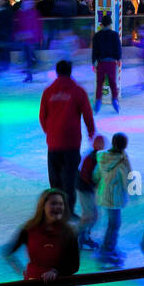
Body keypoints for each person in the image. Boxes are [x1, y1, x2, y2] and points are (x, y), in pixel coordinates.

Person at [39, 60, 96, 217]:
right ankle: (68, 212)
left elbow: (42, 116)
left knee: (55, 180)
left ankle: (53, 211)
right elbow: (87, 115)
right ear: (70, 72)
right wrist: (91, 133)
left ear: (57, 72)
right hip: (71, 143)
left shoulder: (48, 91)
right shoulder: (78, 91)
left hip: (54, 144)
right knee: (69, 180)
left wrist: (50, 132)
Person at [96, 132, 132, 266]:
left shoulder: (103, 156)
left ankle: (108, 247)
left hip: (104, 194)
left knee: (112, 224)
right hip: (115, 197)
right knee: (114, 224)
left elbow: (97, 174)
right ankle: (107, 251)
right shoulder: (122, 160)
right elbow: (127, 178)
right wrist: (134, 192)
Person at [77, 134, 105, 250]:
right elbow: (85, 175)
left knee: (93, 215)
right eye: (101, 143)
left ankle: (83, 236)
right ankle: (77, 236)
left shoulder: (97, 156)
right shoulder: (91, 157)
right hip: (84, 188)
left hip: (87, 188)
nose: (103, 146)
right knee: (89, 215)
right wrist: (95, 185)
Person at [91, 12, 122, 114]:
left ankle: (98, 102)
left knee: (99, 83)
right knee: (113, 83)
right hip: (111, 62)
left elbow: (94, 50)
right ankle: (115, 101)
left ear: (102, 24)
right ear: (110, 24)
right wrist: (119, 59)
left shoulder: (97, 35)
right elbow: (118, 48)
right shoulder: (114, 35)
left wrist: (93, 62)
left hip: (101, 62)